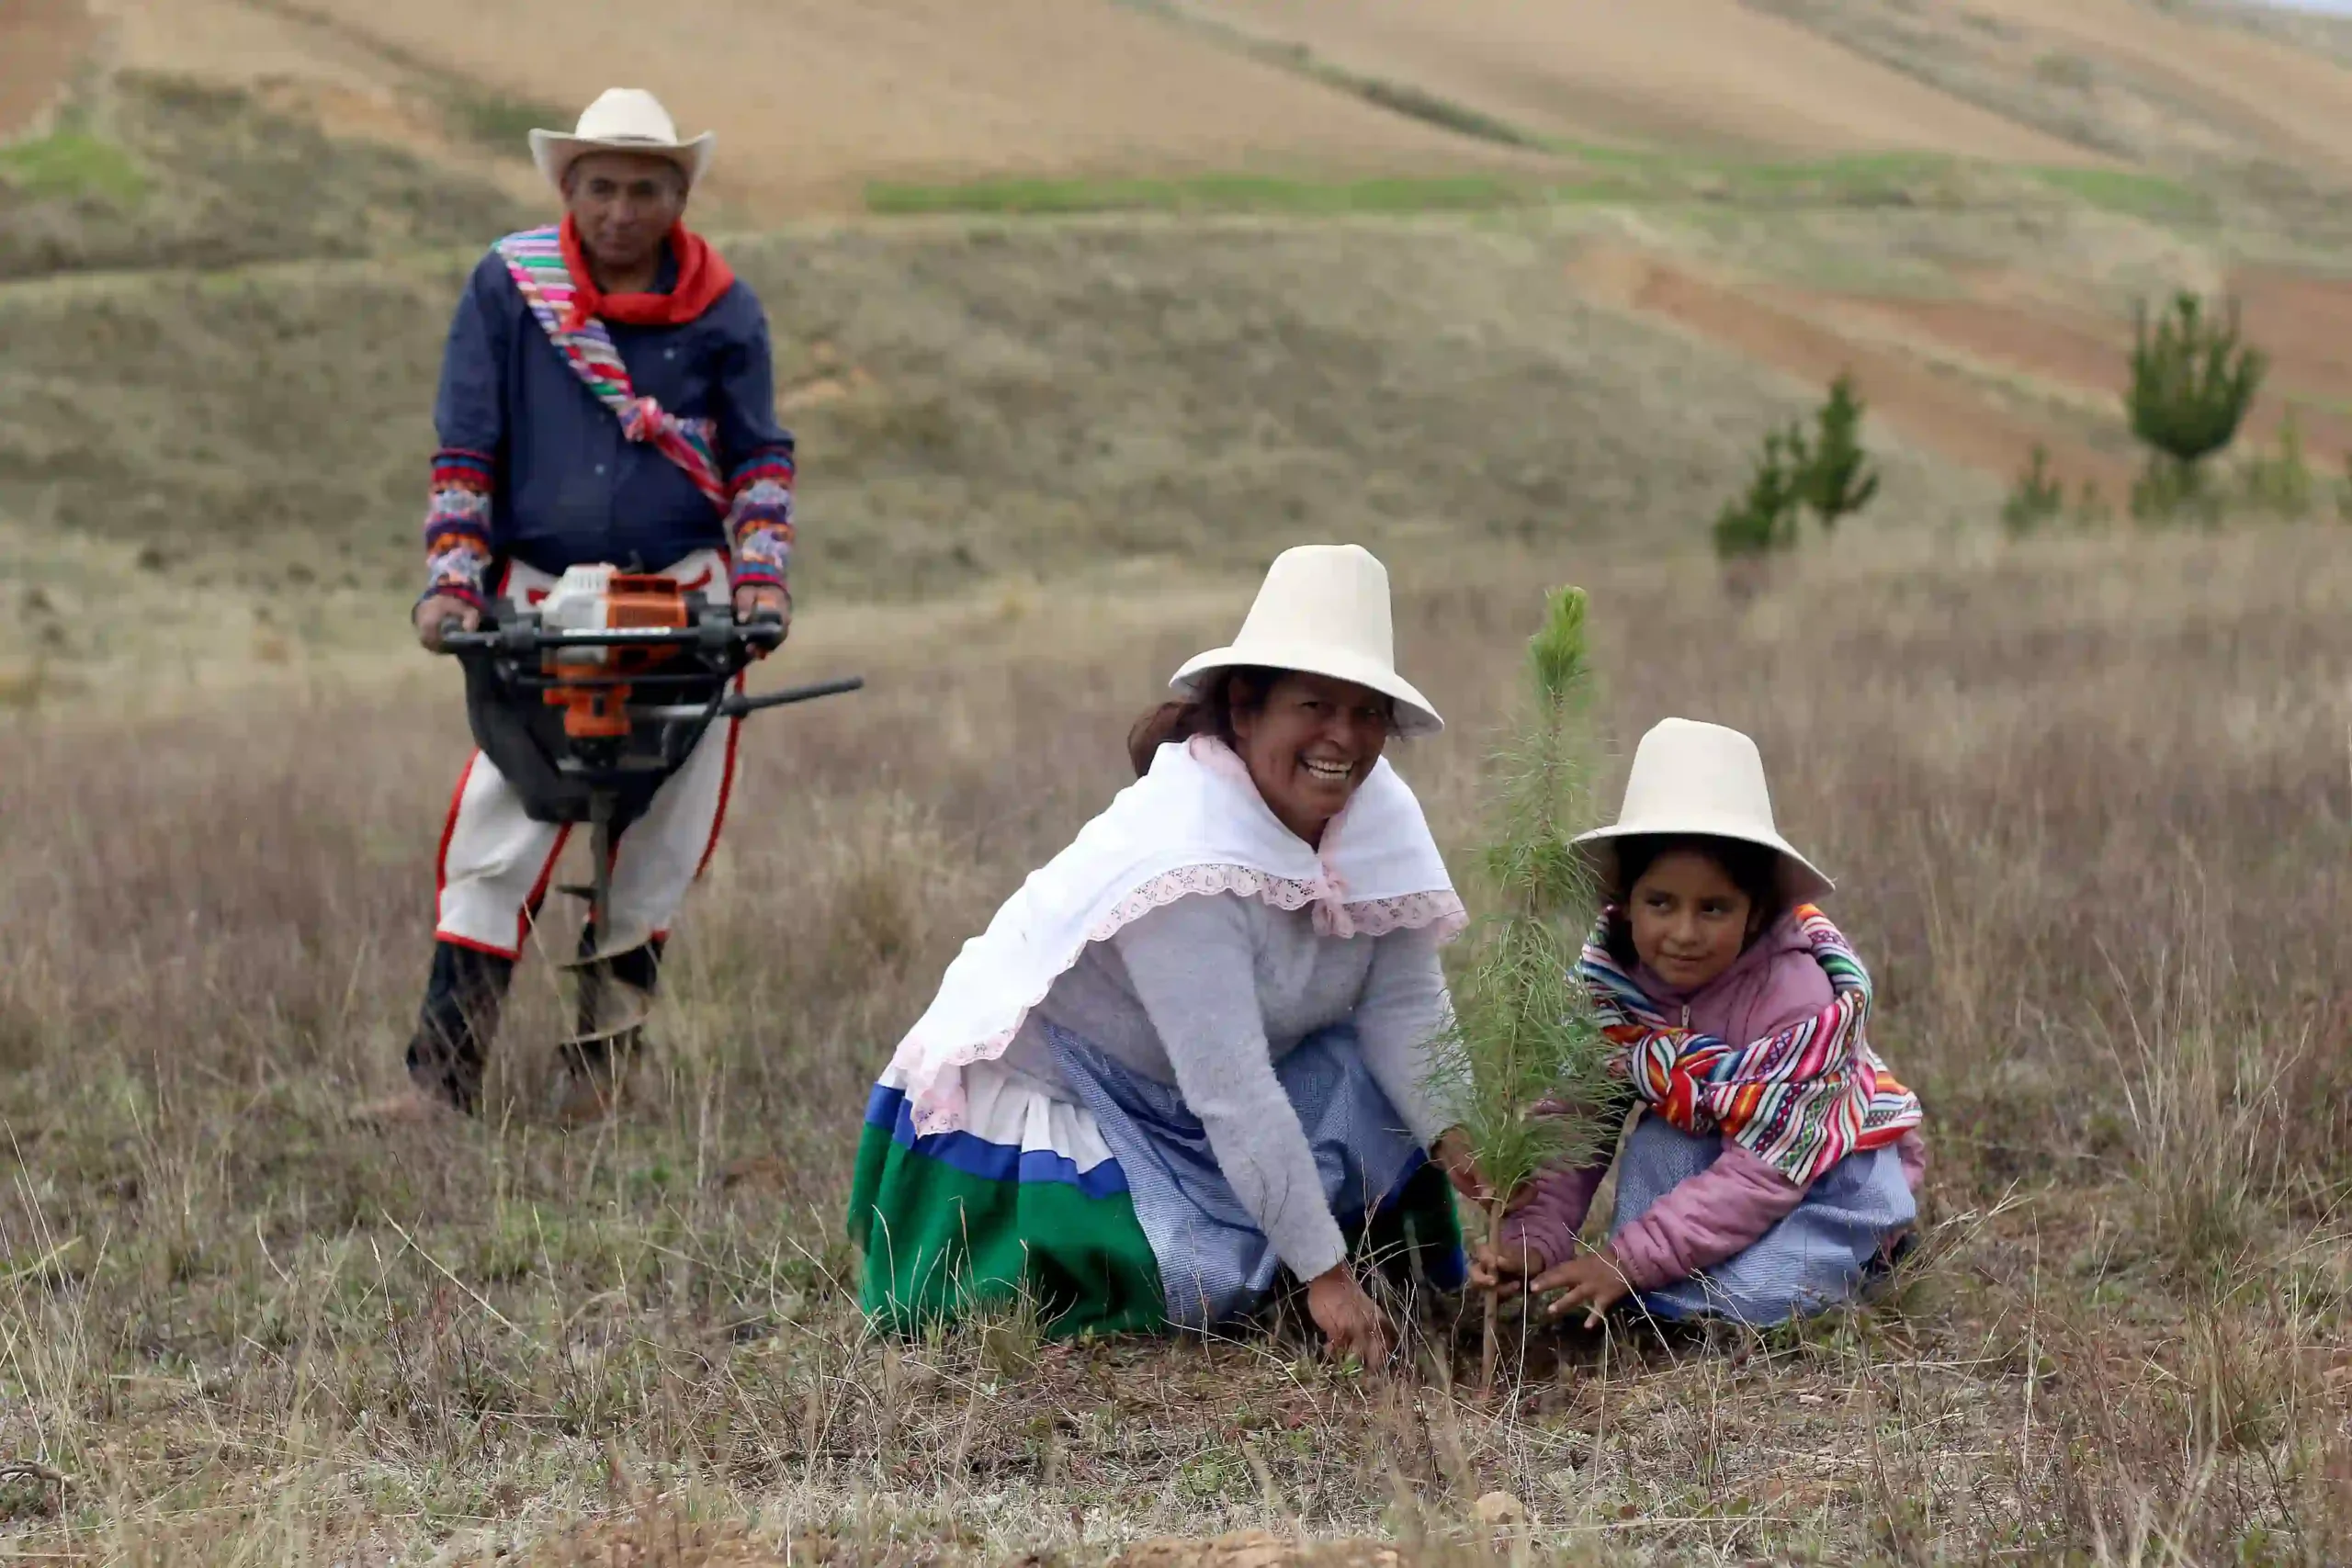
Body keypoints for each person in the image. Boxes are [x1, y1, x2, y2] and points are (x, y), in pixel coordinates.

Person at [848, 545, 1483, 1361]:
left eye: (1367, 713)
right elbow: (1231, 1088)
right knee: (1177, 1276)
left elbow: (1406, 1005)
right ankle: (1287, 1264)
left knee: (1383, 1090)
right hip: (1075, 1091)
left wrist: (1464, 1141)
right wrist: (1325, 1274)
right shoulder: (1182, 855)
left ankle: (1304, 1253)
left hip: (1198, 1094)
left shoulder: (1376, 811)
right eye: (1314, 705)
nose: (1344, 737)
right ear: (1246, 710)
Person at [359, 89, 797, 1127]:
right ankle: (442, 1085)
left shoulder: (725, 308)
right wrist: (452, 580)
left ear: (679, 197)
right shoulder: (509, 289)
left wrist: (762, 576)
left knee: (660, 838)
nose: (620, 210)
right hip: (540, 605)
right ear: (568, 188)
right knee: (499, 828)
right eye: (600, 187)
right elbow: (467, 448)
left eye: (645, 189)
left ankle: (600, 1083)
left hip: (686, 602)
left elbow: (758, 459)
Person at [1474, 717, 1927, 1327]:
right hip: (1714, 1150)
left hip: (1819, 1166)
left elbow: (1765, 1171)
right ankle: (1668, 1291)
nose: (1684, 933)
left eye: (1714, 908)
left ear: (1755, 911)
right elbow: (1577, 1122)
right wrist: (1529, 1242)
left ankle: (1870, 1254)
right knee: (1660, 1151)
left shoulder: (1796, 999)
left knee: (1757, 1297)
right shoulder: (1612, 986)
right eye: (1660, 903)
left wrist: (1625, 1260)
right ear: (1624, 901)